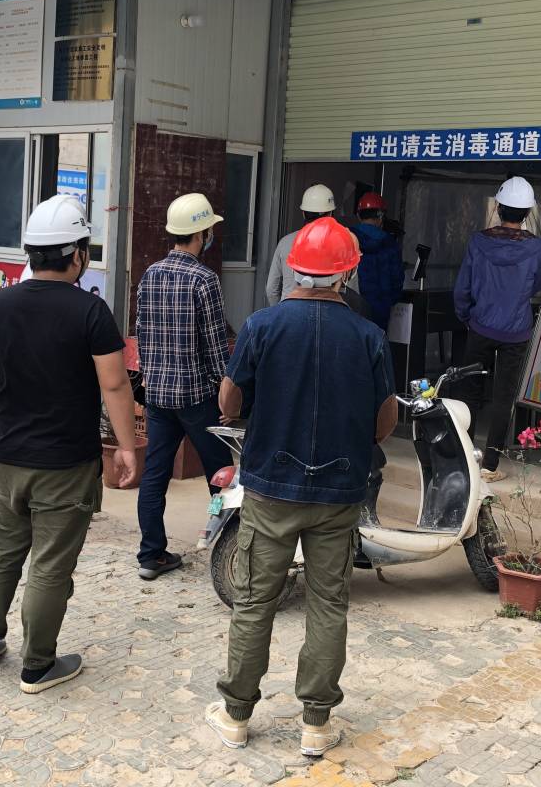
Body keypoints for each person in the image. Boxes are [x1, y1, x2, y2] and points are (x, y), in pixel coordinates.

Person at [206, 216, 397, 757]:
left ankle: (236, 715)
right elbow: (385, 420)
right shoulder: (369, 336)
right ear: (347, 273)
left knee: (254, 602)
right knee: (328, 604)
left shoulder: (261, 326)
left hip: (271, 488)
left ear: (293, 269)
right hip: (339, 492)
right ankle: (316, 723)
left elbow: (228, 402)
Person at [0, 196, 139, 695]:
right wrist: (126, 447)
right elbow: (114, 385)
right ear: (78, 254)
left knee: (0, 551)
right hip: (65, 462)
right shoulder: (91, 311)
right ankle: (38, 665)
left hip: (7, 458)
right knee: (50, 564)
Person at [134, 192, 235, 580]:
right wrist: (227, 393)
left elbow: (142, 334)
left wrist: (151, 376)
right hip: (197, 397)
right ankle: (229, 545)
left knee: (154, 475)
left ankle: (151, 555)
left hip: (158, 397)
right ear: (202, 234)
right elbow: (215, 345)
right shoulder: (204, 279)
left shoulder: (150, 274)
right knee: (222, 476)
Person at [452, 177, 541, 477]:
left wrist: (466, 315)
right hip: (516, 330)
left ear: (497, 207)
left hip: (481, 326)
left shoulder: (478, 242)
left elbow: (463, 287)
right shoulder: (536, 248)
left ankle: (467, 459)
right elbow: (539, 283)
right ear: (527, 212)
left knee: (470, 392)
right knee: (503, 397)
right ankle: (490, 465)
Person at [265, 184, 337, 304]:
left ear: (303, 213)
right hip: (327, 312)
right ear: (330, 214)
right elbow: (351, 291)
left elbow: (271, 289)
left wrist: (279, 311)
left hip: (288, 309)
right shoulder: (340, 245)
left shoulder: (285, 242)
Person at [352, 192, 405, 330]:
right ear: (381, 216)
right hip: (380, 313)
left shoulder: (347, 238)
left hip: (350, 310)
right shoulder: (390, 244)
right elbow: (397, 281)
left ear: (358, 215)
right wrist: (387, 302)